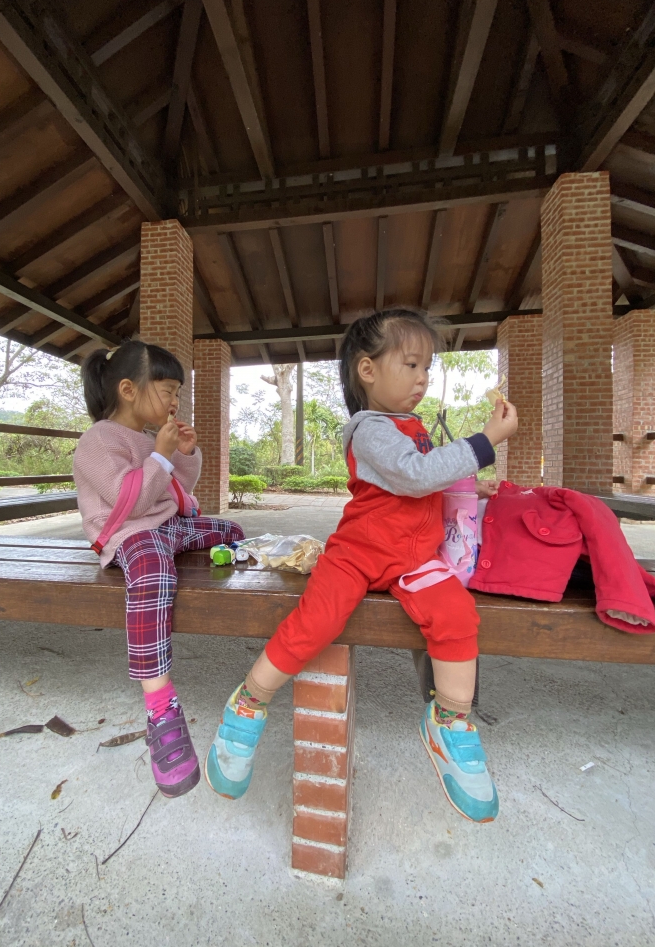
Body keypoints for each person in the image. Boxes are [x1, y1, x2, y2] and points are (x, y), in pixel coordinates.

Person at [205, 308, 517, 823]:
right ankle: (249, 702)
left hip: (414, 558)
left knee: (458, 615)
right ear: (368, 371)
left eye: (427, 369)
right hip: (358, 554)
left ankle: (450, 722)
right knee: (318, 621)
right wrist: (485, 442)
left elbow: (427, 480)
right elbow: (414, 475)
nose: (423, 378)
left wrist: (464, 484)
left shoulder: (411, 425)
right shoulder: (369, 428)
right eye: (412, 365)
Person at [73, 340, 244, 798]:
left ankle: (233, 567)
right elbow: (128, 499)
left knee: (231, 529)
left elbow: (174, 488)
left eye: (177, 393)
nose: (174, 402)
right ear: (129, 389)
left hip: (165, 526)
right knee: (154, 573)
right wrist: (161, 457)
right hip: (130, 536)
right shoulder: (98, 440)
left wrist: (182, 454)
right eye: (168, 390)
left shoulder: (149, 440)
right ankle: (160, 707)